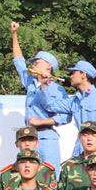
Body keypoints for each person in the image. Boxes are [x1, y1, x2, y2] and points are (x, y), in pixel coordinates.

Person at [10, 22, 74, 168]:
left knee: (51, 173)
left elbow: (66, 116)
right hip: (29, 138)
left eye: (36, 62)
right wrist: (14, 34)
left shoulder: (57, 89)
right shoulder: (30, 82)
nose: (32, 65)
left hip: (47, 138)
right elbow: (19, 61)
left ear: (48, 67)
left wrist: (42, 122)